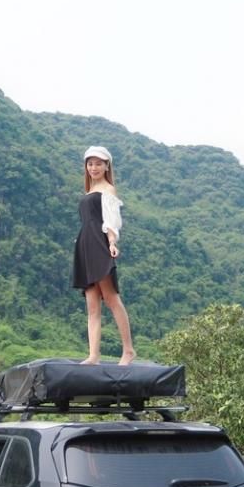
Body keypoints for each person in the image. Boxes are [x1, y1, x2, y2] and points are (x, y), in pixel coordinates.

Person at [72, 146, 136, 365]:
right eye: (90, 164)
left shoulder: (108, 189)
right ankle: (94, 355)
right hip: (85, 246)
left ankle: (128, 350)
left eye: (98, 163)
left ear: (107, 165)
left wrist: (111, 242)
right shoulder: (90, 191)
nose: (94, 167)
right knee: (92, 304)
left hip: (99, 244)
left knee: (110, 297)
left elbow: (111, 220)